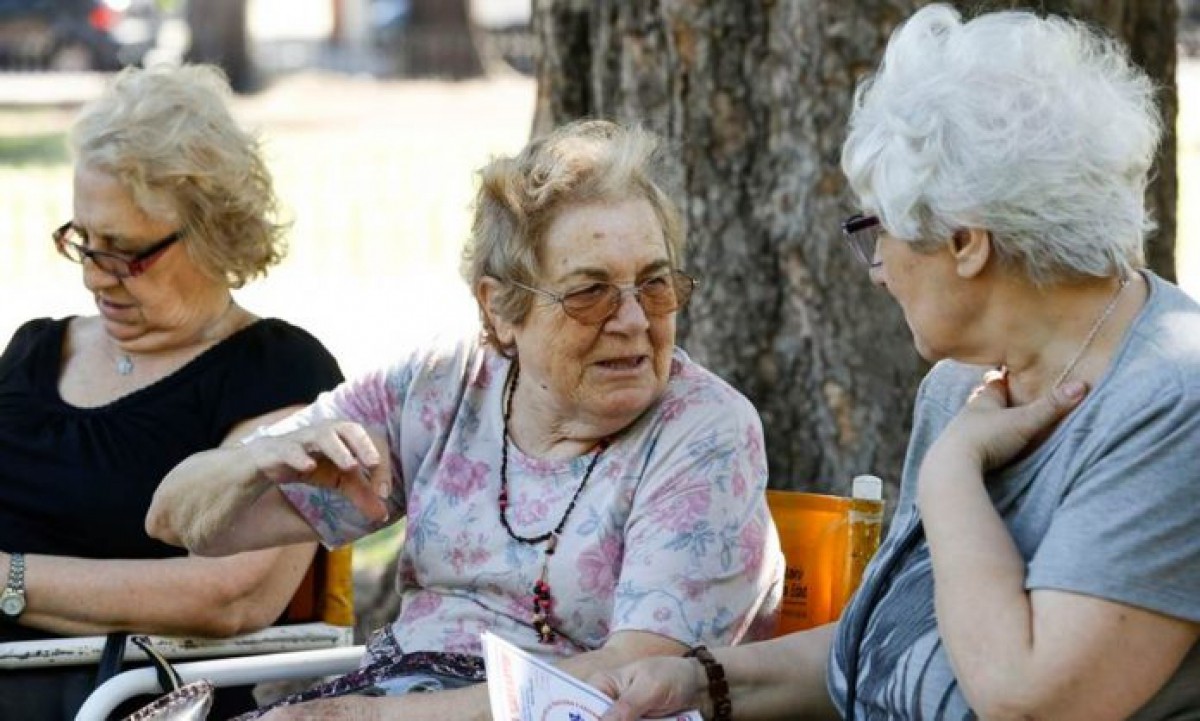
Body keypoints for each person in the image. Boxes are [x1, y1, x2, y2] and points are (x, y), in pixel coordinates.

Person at [591, 5, 1200, 720]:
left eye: (877, 227)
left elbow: (1027, 697)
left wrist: (950, 478)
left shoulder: (1169, 400)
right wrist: (703, 681)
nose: (877, 268)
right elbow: (893, 650)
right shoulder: (962, 391)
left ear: (967, 240)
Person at [145, 119, 784, 719]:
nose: (635, 320)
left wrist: (356, 715)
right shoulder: (445, 381)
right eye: (590, 292)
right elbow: (177, 522)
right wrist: (256, 461)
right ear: (501, 309)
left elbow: (629, 684)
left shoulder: (704, 431)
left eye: (655, 284)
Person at [0, 65, 343, 719]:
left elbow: (229, 594)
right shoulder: (34, 348)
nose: (95, 279)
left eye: (125, 252)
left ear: (213, 232)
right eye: (84, 242)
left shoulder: (277, 372)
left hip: (119, 698)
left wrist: (10, 580)